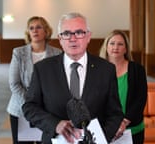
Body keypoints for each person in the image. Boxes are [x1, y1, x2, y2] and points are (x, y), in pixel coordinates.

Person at [22, 12, 124, 144]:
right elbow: (30, 107)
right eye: (66, 33)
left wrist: (101, 139)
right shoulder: (43, 69)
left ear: (88, 37)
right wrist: (55, 124)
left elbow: (115, 113)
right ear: (60, 39)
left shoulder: (106, 69)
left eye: (79, 32)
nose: (73, 38)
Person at [6, 16, 62, 144]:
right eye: (31, 28)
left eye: (38, 27)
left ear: (46, 31)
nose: (35, 30)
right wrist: (33, 103)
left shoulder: (57, 53)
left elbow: (58, 83)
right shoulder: (18, 53)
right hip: (21, 109)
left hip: (49, 112)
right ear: (28, 32)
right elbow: (14, 84)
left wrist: (44, 104)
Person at [99, 30, 147, 144]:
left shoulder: (137, 69)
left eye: (120, 44)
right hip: (105, 129)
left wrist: (124, 123)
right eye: (112, 43)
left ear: (126, 49)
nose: (115, 47)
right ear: (106, 46)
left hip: (132, 129)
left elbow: (141, 99)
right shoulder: (97, 70)